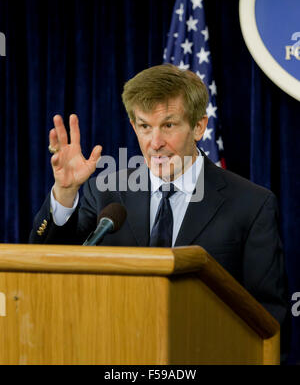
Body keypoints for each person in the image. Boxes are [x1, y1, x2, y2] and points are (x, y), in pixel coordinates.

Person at [29, 64, 287, 326]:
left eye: (169, 125)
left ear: (198, 127)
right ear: (133, 126)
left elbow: (268, 318)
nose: (155, 142)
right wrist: (66, 191)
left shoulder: (252, 204)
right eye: (144, 126)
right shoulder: (105, 192)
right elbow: (50, 267)